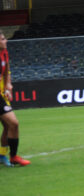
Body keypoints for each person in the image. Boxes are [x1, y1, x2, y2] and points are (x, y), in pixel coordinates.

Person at [0, 31, 30, 166]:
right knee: (11, 123)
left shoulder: (4, 53)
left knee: (10, 125)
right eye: (2, 39)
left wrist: (7, 86)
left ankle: (8, 156)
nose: (5, 41)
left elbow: (6, 71)